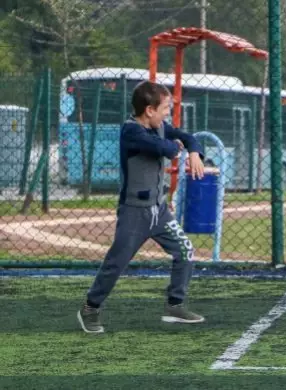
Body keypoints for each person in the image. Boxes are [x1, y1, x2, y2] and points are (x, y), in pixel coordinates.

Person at [77, 80, 206, 333]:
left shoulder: (159, 126)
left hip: (159, 211)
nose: (168, 113)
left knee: (185, 251)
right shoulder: (132, 132)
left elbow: (187, 138)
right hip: (134, 212)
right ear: (149, 110)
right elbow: (165, 148)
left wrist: (193, 152)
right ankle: (90, 308)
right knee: (116, 263)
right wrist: (176, 147)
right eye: (166, 108)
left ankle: (175, 305)